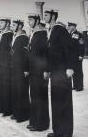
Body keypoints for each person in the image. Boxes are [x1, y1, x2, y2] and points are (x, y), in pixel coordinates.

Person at [44, 8, 75, 137]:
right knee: (56, 101)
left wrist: (70, 67)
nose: (44, 17)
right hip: (55, 72)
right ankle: (58, 131)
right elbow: (50, 53)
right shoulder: (51, 30)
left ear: (52, 16)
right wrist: (48, 69)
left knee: (64, 102)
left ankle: (66, 132)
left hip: (63, 71)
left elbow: (69, 49)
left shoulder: (60, 29)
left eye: (46, 15)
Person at [27, 14, 50, 131]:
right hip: (33, 70)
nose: (29, 22)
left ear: (36, 21)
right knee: (34, 96)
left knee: (40, 97)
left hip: (40, 71)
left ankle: (41, 124)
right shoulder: (33, 34)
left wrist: (46, 70)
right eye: (28, 20)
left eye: (31, 20)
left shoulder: (42, 34)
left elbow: (46, 53)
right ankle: (34, 121)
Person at [10, 19, 30, 122]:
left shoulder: (24, 38)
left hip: (22, 69)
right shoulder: (15, 36)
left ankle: (24, 114)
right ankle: (17, 112)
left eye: (14, 25)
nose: (12, 26)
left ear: (20, 26)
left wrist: (26, 69)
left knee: (22, 92)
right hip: (15, 68)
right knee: (16, 91)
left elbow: (26, 55)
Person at [0, 17, 13, 116]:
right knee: (3, 86)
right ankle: (4, 107)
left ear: (7, 23)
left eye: (2, 22)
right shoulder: (2, 34)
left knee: (8, 87)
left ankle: (8, 109)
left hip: (7, 64)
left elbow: (10, 51)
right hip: (2, 63)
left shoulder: (9, 35)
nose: (0, 24)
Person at [67, 22, 85, 91]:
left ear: (74, 26)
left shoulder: (79, 34)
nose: (68, 27)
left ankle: (80, 86)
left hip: (77, 56)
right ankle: (75, 85)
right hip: (72, 57)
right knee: (73, 71)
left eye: (70, 26)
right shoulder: (69, 34)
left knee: (78, 71)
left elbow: (81, 45)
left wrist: (81, 55)